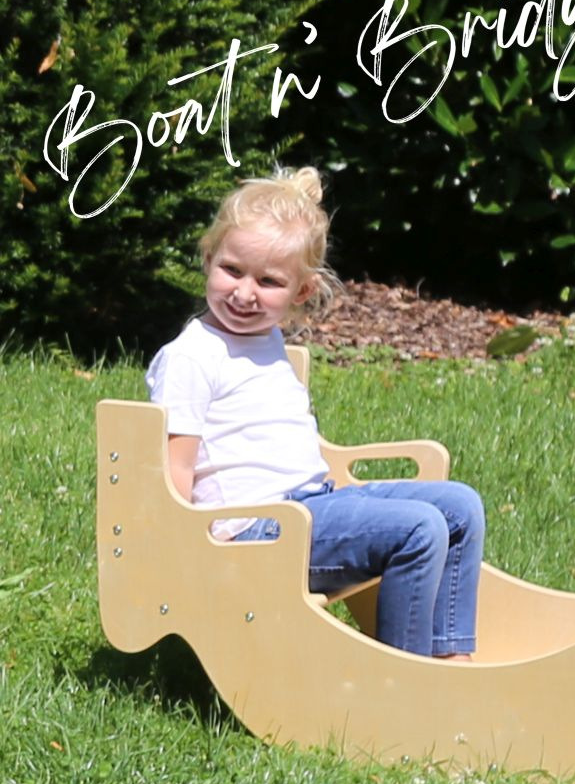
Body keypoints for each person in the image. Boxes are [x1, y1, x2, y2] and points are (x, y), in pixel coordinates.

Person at [146, 167, 483, 659]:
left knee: (459, 506)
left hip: (309, 505)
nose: (244, 293)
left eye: (268, 281)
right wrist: (186, 560)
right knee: (419, 528)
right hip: (255, 531)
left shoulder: (265, 338)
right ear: (208, 258)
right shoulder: (192, 357)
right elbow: (174, 470)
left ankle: (452, 656)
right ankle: (404, 672)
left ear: (301, 292)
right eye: (232, 270)